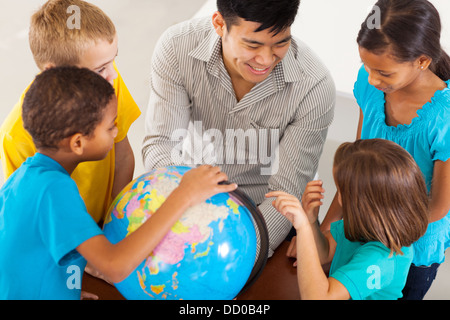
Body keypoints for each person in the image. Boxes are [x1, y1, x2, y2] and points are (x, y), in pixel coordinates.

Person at [0, 67, 237, 300]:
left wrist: (58, 290)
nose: (116, 133)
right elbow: (114, 266)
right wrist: (184, 194)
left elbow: (18, 256)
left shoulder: (23, 178)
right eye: (111, 125)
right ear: (78, 143)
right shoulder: (55, 190)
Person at [142, 0, 336, 257]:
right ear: (220, 24)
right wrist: (181, 205)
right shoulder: (177, 47)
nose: (266, 60)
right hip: (184, 193)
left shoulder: (314, 85)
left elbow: (286, 192)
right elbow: (161, 143)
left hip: (261, 213)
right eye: (252, 45)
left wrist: (238, 256)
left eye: (280, 43)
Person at [320, 0, 450, 299]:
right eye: (367, 67)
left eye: (384, 73)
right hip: (360, 235)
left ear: (421, 61)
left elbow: (440, 205)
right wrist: (326, 229)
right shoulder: (371, 86)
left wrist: (379, 239)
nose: (373, 79)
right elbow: (355, 169)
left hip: (411, 247)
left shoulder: (443, 118)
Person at [0, 0, 141, 225]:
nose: (113, 75)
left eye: (113, 61)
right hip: (64, 241)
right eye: (101, 68)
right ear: (54, 72)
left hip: (106, 225)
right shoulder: (15, 135)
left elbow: (122, 157)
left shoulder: (108, 84)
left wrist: (116, 221)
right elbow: (31, 210)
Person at [267, 139, 429, 300]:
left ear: (363, 205)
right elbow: (325, 253)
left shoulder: (381, 259)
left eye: (341, 191)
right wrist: (310, 220)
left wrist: (302, 227)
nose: (338, 199)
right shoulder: (364, 226)